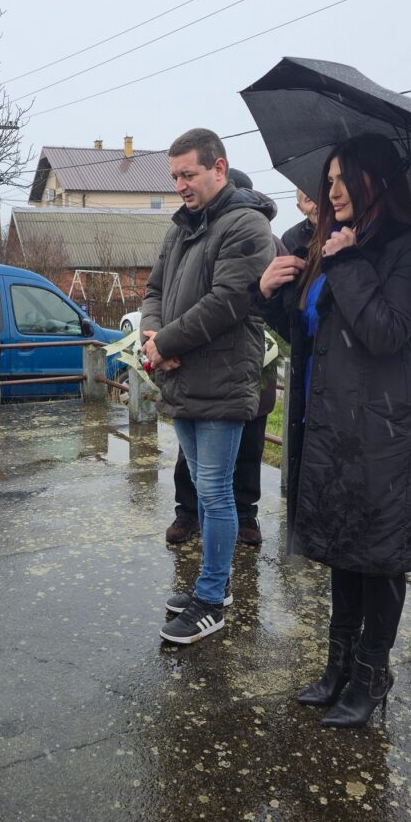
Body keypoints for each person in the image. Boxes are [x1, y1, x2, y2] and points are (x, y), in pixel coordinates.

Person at [255, 133, 411, 726]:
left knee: (379, 557)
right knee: (342, 549)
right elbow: (310, 334)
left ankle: (369, 676)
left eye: (341, 178)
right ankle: (336, 667)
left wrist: (348, 261)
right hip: (327, 426)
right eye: (328, 178)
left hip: (383, 434)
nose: (329, 189)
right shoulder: (330, 244)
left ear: (374, 180)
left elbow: (387, 332)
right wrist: (272, 295)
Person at [141, 128, 275, 645]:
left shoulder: (246, 224)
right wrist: (155, 336)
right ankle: (209, 584)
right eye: (175, 176)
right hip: (182, 376)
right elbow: (154, 289)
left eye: (189, 174)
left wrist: (167, 340)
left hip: (220, 379)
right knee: (200, 488)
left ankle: (212, 600)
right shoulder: (180, 228)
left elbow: (227, 302)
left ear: (219, 168)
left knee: (217, 494)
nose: (181, 185)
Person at [166, 168, 284, 548]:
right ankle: (187, 512)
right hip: (200, 364)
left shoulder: (266, 240)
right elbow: (171, 291)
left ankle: (244, 516)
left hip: (252, 365)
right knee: (195, 458)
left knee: (248, 448)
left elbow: (248, 303)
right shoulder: (194, 235)